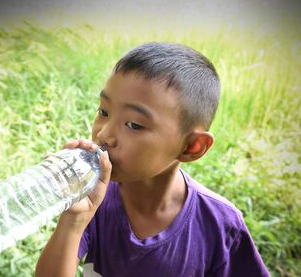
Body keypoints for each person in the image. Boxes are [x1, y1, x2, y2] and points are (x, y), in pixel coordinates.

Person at [35, 42, 270, 276]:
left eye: (134, 125)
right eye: (104, 112)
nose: (104, 134)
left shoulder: (220, 226)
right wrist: (73, 220)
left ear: (191, 147)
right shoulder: (95, 200)